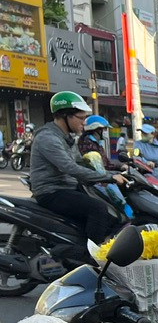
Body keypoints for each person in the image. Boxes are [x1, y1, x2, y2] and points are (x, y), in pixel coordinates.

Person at [28, 91, 128, 252]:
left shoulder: (66, 137)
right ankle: (91, 258)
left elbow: (82, 162)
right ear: (65, 116)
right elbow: (71, 168)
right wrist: (109, 177)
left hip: (68, 188)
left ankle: (75, 248)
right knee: (98, 209)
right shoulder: (48, 138)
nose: (84, 123)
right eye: (81, 118)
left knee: (113, 217)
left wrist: (116, 170)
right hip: (51, 192)